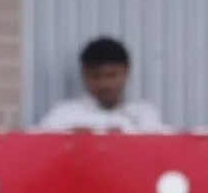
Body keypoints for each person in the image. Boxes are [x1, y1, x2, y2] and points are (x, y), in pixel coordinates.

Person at [36, 36, 168, 132]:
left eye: (112, 75)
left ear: (127, 73)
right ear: (83, 75)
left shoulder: (144, 115)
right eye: (96, 76)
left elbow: (170, 149)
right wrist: (70, 138)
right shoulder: (63, 115)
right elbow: (33, 146)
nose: (104, 84)